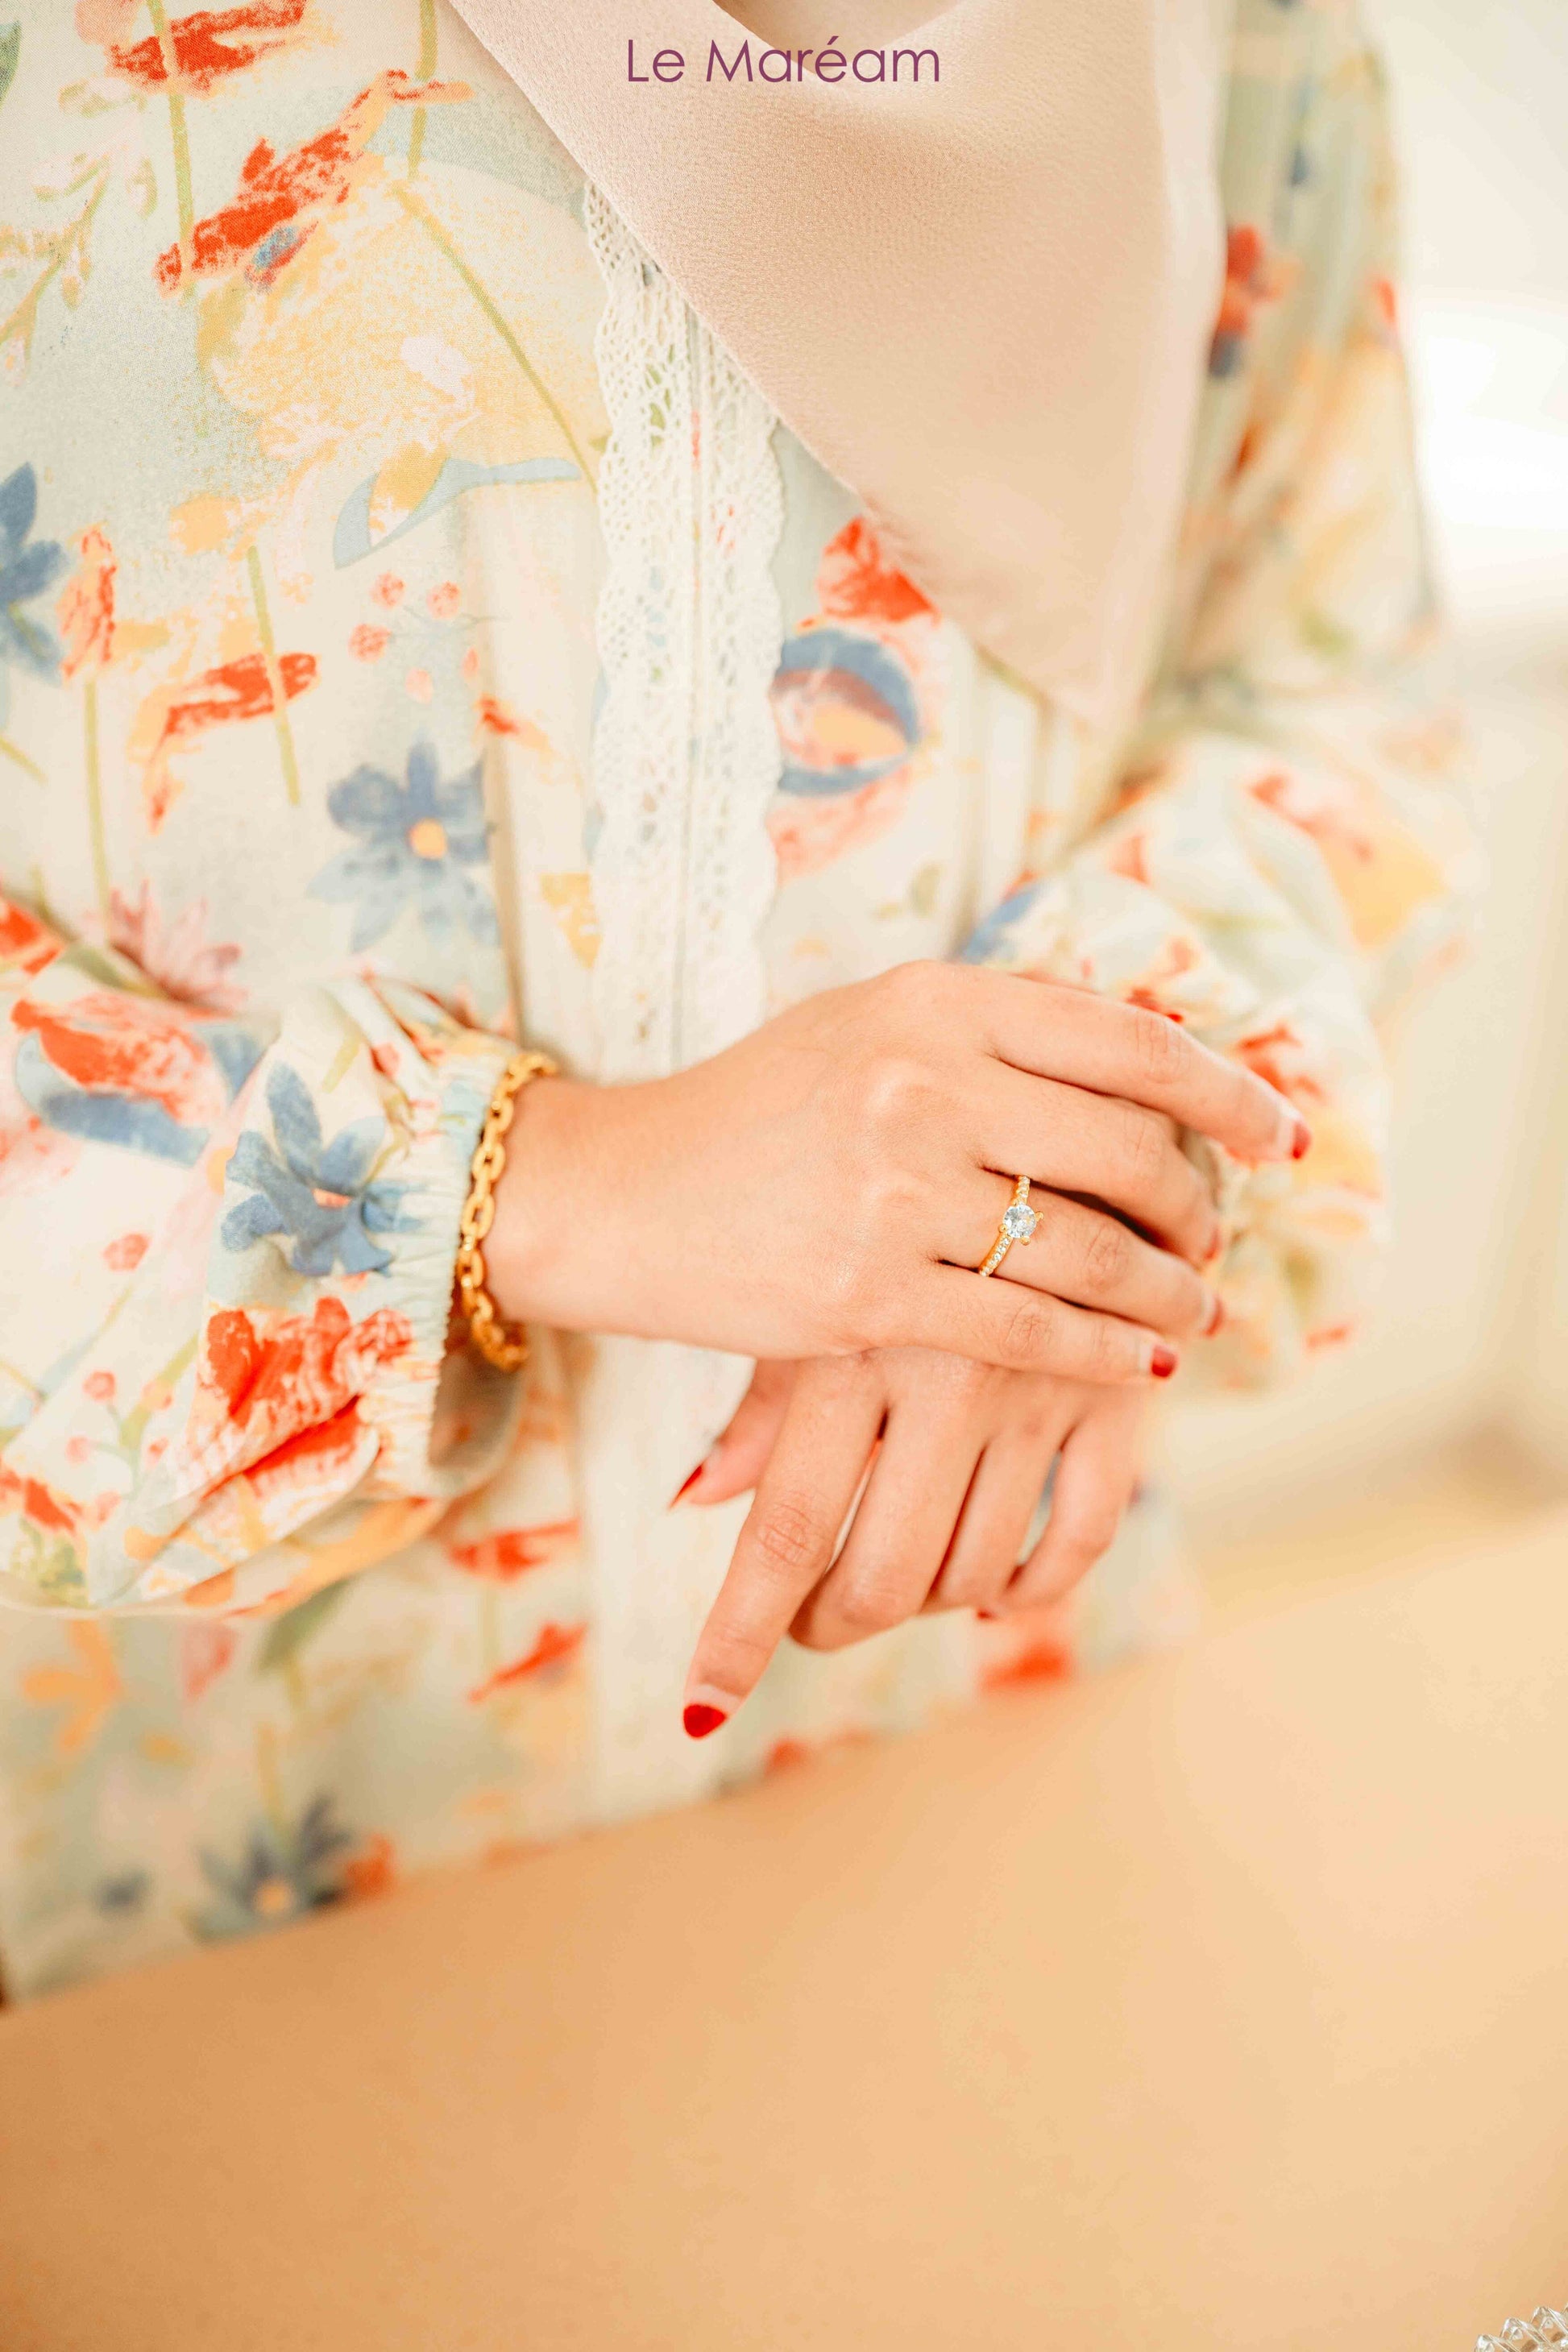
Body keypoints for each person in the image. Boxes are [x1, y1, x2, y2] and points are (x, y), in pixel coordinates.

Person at [0, 0, 1473, 1997]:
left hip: (962, 1708)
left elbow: (1326, 686)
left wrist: (1061, 1152)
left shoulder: (1244, 26)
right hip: (174, 1812)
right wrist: (521, 1183)